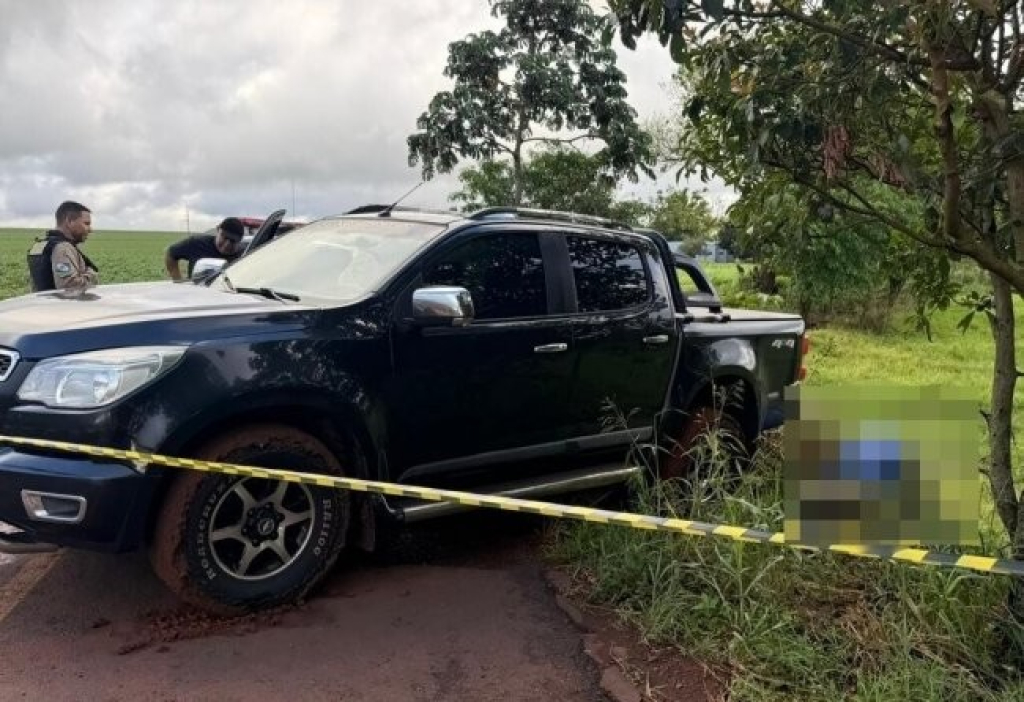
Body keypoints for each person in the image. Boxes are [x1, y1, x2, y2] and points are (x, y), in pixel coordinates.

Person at [27, 201, 99, 294]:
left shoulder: (40, 245)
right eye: (86, 223)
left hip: (42, 301)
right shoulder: (62, 248)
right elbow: (69, 287)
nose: (90, 230)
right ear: (69, 221)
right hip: (60, 303)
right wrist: (91, 274)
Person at [165, 217, 245, 281]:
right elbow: (170, 253)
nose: (227, 244)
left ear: (240, 241)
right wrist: (178, 281)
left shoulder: (245, 255)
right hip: (198, 294)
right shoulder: (196, 244)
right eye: (224, 237)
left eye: (233, 241)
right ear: (218, 230)